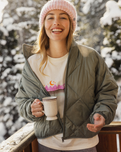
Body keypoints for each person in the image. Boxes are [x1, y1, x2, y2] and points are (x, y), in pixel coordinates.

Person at [15, 0, 118, 152]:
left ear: (71, 24)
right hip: (48, 144)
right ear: (43, 24)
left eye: (63, 17)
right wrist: (31, 108)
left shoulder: (90, 57)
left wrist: (102, 113)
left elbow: (107, 92)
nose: (56, 22)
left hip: (85, 144)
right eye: (50, 17)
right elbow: (22, 100)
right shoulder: (33, 63)